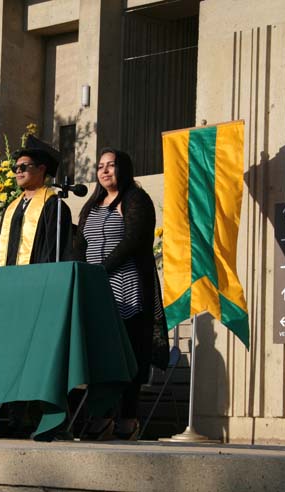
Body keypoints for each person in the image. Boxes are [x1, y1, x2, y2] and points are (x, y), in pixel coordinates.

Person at [74, 148, 167, 440]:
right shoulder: (92, 205)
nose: (104, 171)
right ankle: (100, 417)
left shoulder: (136, 199)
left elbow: (135, 240)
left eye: (111, 166)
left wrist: (103, 268)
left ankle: (127, 418)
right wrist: (80, 271)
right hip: (96, 289)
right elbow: (80, 244)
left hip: (126, 289)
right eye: (100, 166)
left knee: (127, 356)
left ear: (123, 169)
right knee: (98, 355)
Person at [0, 135, 72, 266]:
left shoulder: (54, 206)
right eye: (15, 168)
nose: (18, 171)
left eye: (24, 167)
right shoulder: (11, 207)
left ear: (41, 169)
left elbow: (53, 251)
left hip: (36, 280)